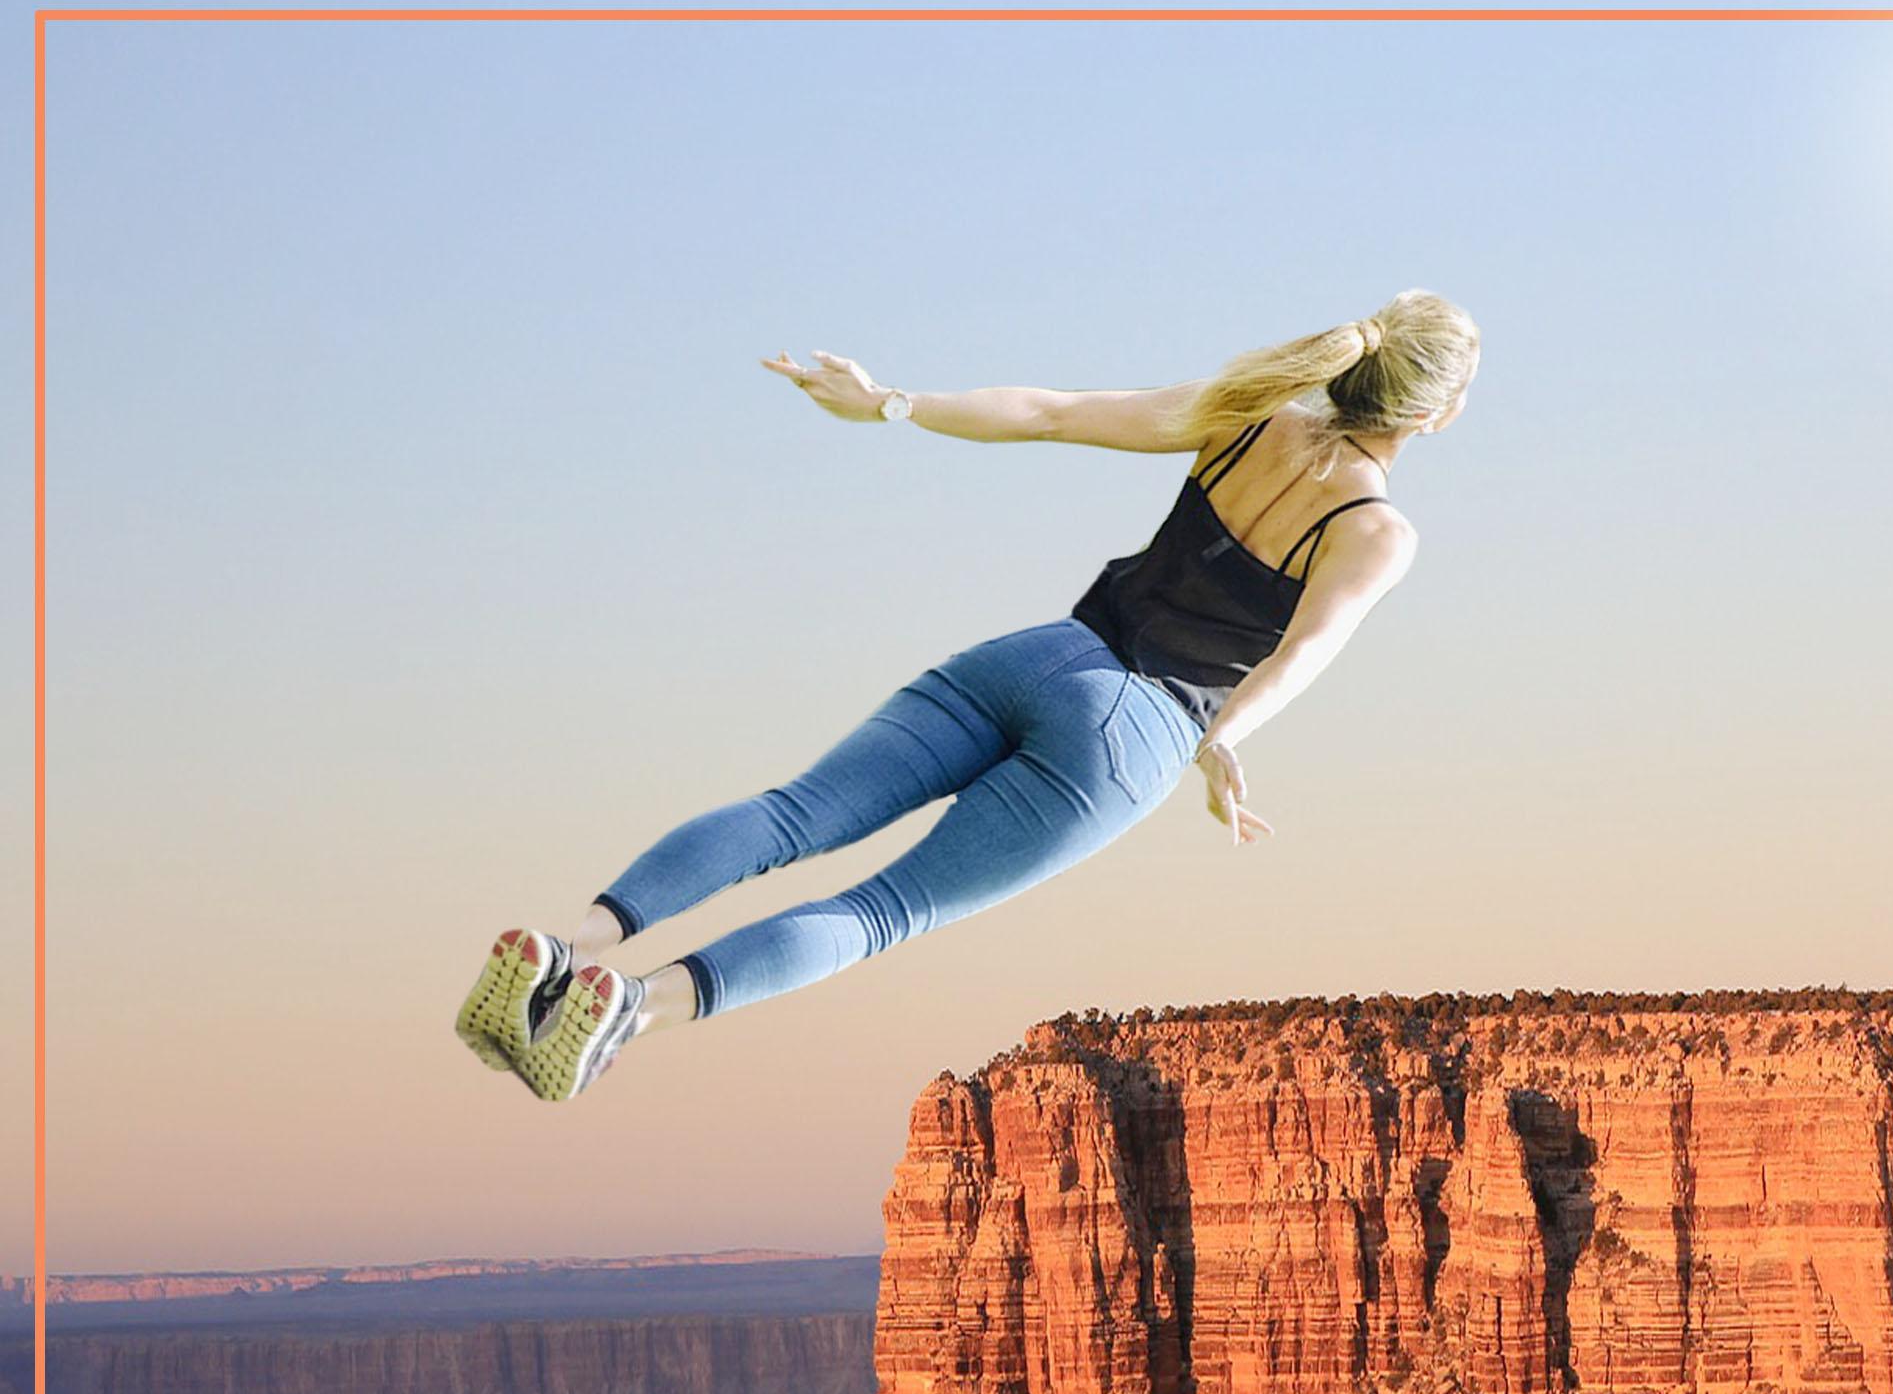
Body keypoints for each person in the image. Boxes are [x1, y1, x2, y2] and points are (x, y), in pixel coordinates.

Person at [458, 289, 1478, 1101]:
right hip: (1134, 733)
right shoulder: (1377, 530)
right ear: (1433, 411)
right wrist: (1223, 740)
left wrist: (888, 401)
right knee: (878, 909)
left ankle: (576, 947)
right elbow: (1299, 654)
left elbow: (1051, 415)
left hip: (1045, 654)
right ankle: (627, 1007)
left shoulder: (1252, 412)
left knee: (790, 816)